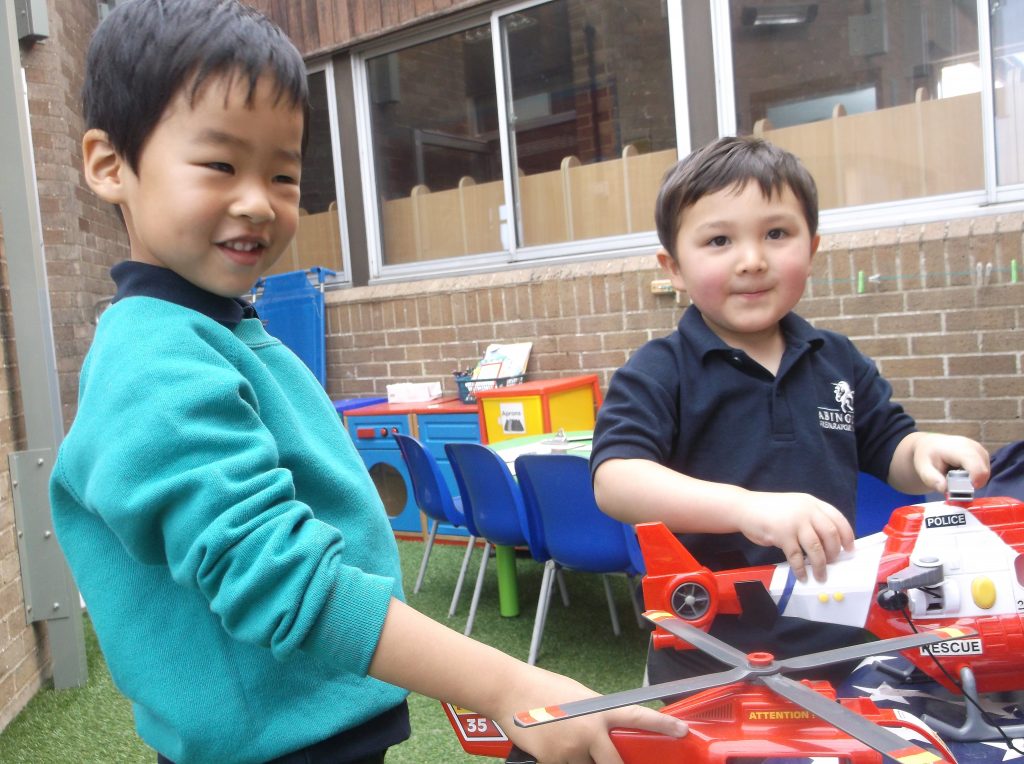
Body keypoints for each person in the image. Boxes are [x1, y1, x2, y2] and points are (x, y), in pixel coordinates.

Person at [49, 2, 686, 763]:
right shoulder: (154, 358)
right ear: (109, 163)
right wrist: (509, 685)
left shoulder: (222, 330)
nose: (258, 200)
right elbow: (282, 581)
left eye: (283, 173)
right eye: (219, 164)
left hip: (313, 724)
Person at [589, 135, 991, 686]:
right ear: (673, 267)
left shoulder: (837, 360)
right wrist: (746, 507)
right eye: (719, 240)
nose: (752, 261)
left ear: (813, 246)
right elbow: (616, 481)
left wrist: (923, 450)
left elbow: (889, 445)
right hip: (710, 652)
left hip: (844, 643)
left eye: (776, 234)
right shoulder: (659, 370)